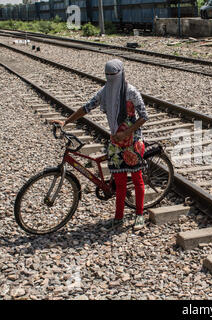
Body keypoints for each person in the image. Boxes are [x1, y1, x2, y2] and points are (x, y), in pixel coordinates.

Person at [52, 59, 149, 230]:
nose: (111, 78)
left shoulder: (131, 92)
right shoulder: (105, 92)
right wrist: (66, 121)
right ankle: (118, 217)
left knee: (137, 179)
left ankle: (139, 214)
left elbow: (143, 116)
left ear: (121, 73)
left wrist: (127, 132)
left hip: (132, 142)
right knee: (119, 182)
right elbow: (86, 108)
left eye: (114, 75)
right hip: (115, 142)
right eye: (108, 75)